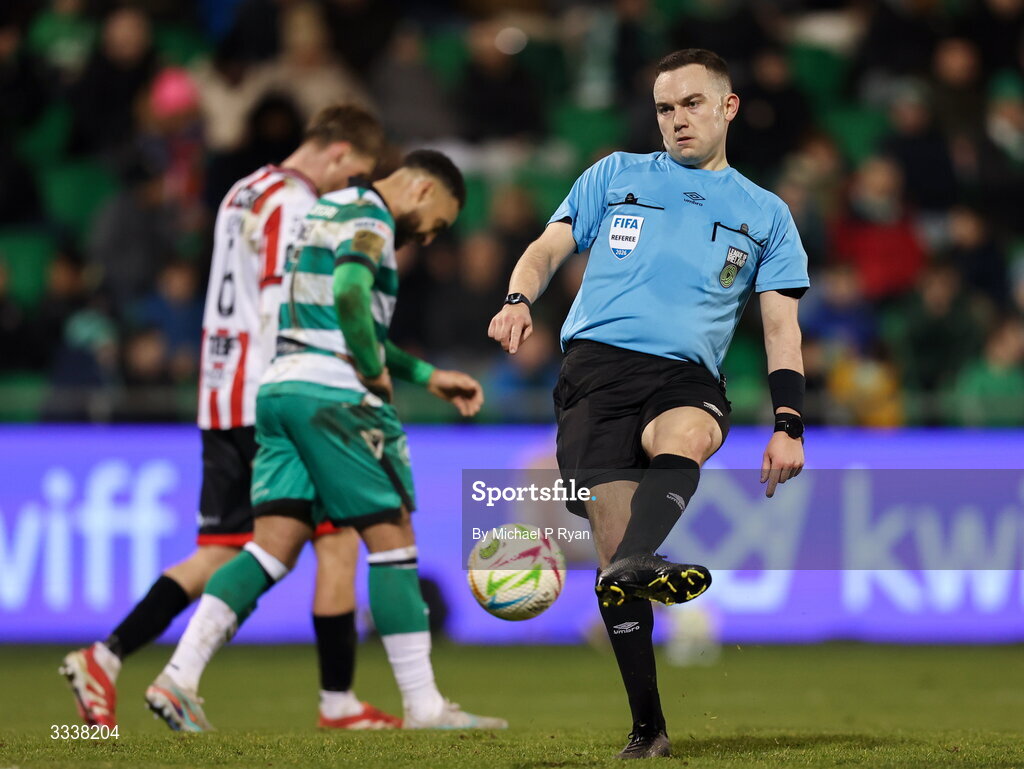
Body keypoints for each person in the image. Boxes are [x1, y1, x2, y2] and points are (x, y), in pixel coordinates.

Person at [488, 48, 808, 759]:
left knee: (690, 433)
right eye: (666, 107)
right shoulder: (615, 175)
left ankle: (640, 560)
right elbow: (546, 246)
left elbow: (783, 329)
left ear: (727, 107)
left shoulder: (766, 214)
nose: (677, 119)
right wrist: (517, 298)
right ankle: (648, 726)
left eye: (692, 103)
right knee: (614, 565)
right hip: (594, 373)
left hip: (686, 374)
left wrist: (789, 421)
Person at [61, 104, 402, 730]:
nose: (352, 187)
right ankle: (337, 703)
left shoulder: (243, 190)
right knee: (338, 540)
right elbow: (284, 301)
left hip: (221, 391)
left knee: (221, 551)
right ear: (338, 151)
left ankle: (105, 656)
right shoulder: (299, 206)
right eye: (355, 172)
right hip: (276, 394)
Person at [144, 150, 507, 732]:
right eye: (438, 220)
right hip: (335, 397)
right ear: (419, 189)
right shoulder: (372, 218)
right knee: (393, 539)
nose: (434, 236)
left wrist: (425, 375)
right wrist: (369, 369)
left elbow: (331, 312)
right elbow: (348, 295)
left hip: (281, 390)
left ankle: (179, 677)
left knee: (271, 547)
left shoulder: (328, 207)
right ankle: (424, 706)